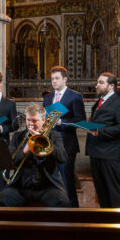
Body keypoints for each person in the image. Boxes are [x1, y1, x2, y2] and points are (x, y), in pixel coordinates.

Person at [0, 104, 69, 207]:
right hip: (20, 187)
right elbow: (10, 162)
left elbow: (62, 158)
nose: (30, 124)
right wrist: (24, 150)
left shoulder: (54, 136)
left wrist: (46, 143)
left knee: (62, 203)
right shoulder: (17, 137)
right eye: (28, 120)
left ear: (43, 120)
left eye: (34, 121)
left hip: (47, 188)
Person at [42, 66, 85, 207]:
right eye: (52, 79)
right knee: (51, 180)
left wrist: (63, 122)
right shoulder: (47, 98)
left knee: (67, 180)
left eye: (57, 78)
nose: (54, 81)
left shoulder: (75, 96)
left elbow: (80, 120)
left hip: (67, 144)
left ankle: (73, 212)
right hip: (50, 144)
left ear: (65, 79)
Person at [86, 72, 120, 208]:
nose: (97, 85)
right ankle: (106, 222)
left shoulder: (119, 103)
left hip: (110, 154)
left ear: (111, 86)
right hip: (96, 152)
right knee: (102, 192)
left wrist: (100, 131)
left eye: (101, 82)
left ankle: (119, 224)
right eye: (97, 82)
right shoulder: (100, 101)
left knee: (114, 193)